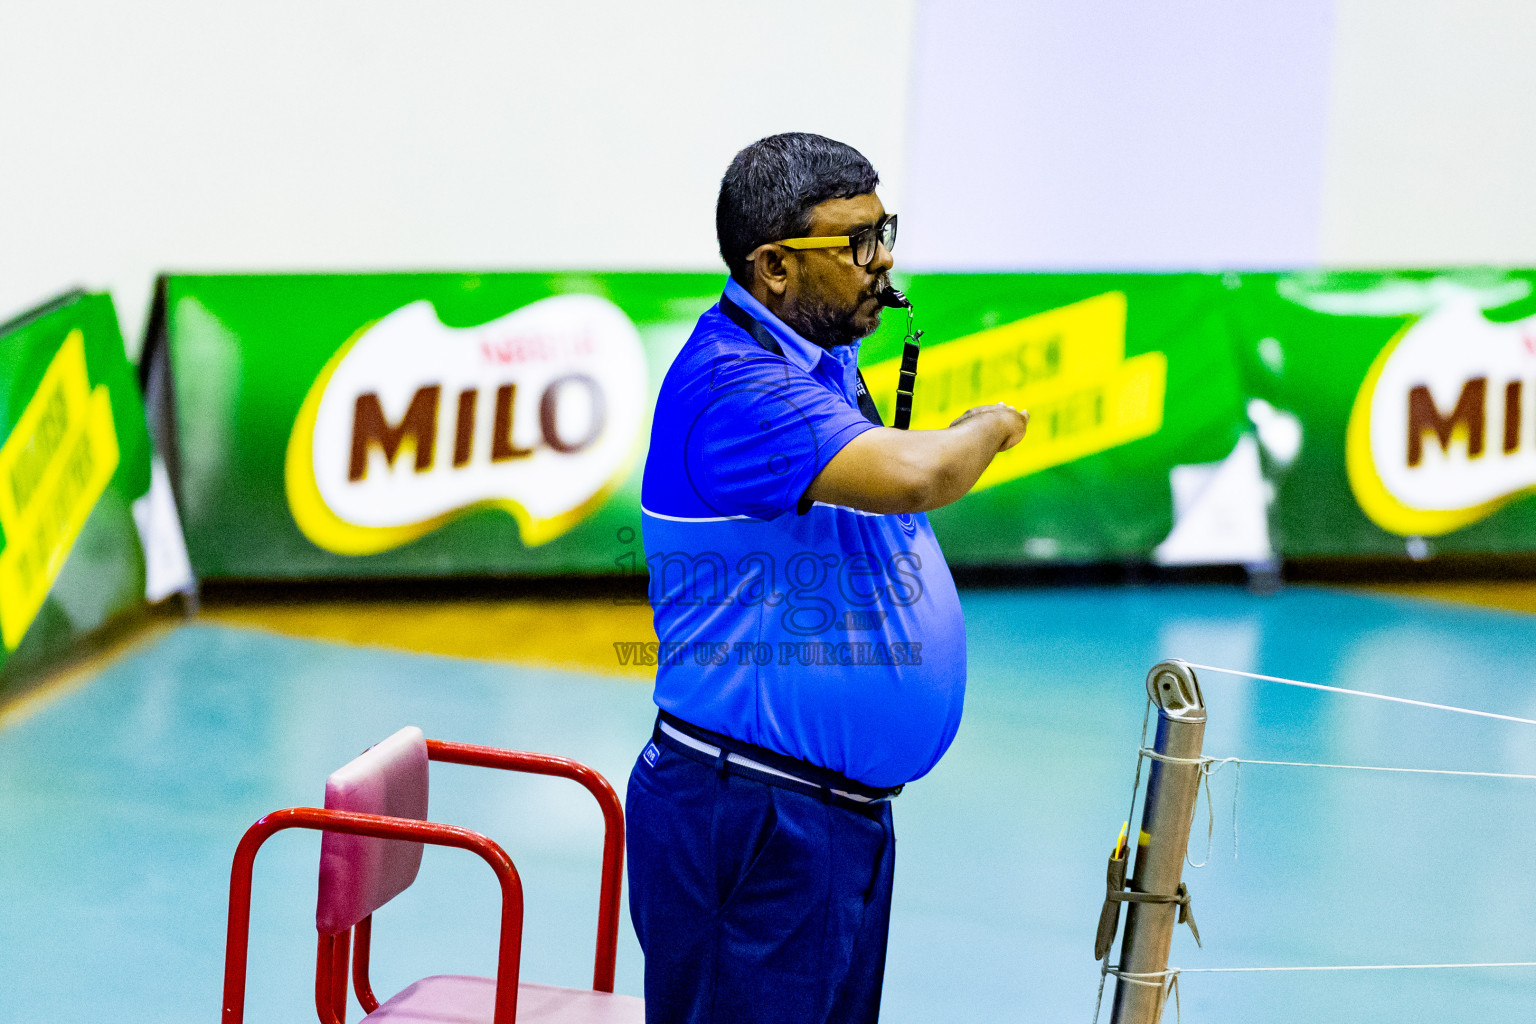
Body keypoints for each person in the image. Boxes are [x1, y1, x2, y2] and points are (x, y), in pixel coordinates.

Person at [627, 132, 1028, 1024]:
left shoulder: (818, 354)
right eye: (855, 243)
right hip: (754, 818)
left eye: (884, 230)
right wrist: (993, 423)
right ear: (773, 266)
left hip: (828, 817)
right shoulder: (735, 387)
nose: (882, 261)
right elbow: (919, 478)